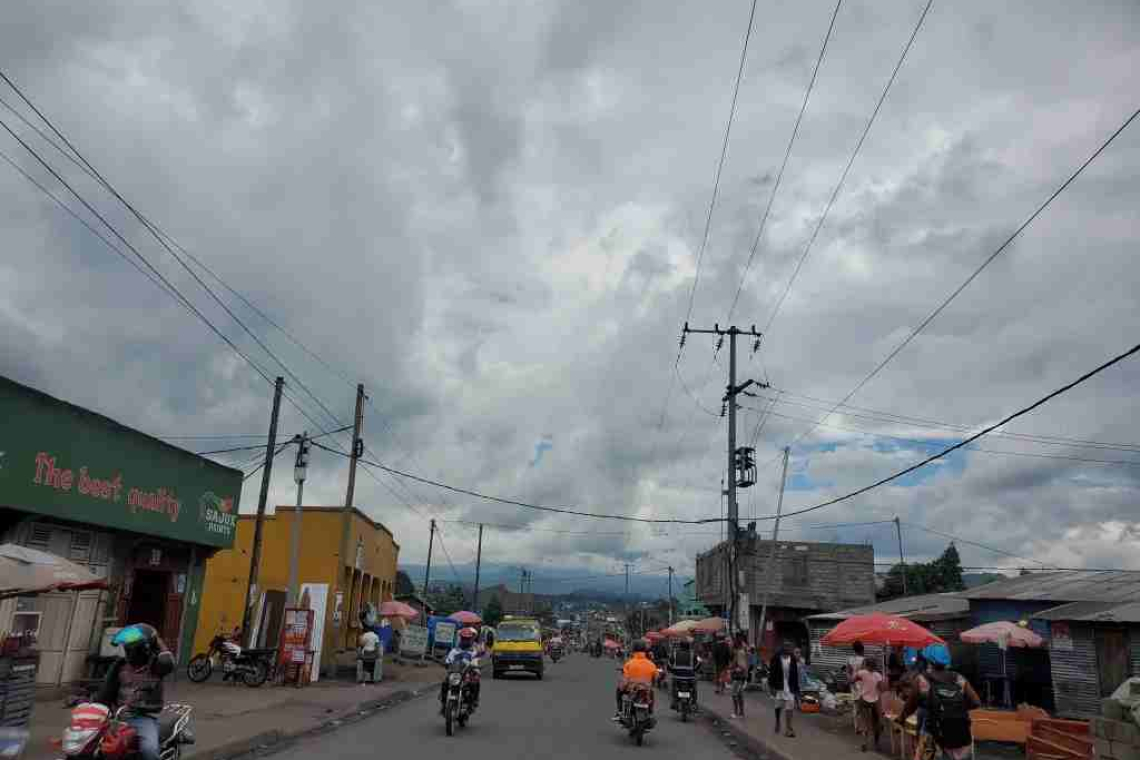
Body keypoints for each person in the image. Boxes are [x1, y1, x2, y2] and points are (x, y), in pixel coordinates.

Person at [97, 624, 175, 760]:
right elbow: (105, 691)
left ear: (145, 650)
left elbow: (168, 661)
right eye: (126, 649)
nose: (128, 653)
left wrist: (156, 640)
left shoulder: (156, 666)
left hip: (142, 718)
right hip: (115, 718)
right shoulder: (119, 665)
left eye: (132, 650)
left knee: (149, 750)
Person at [897, 645, 980, 760]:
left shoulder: (922, 680)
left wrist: (901, 719)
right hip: (961, 735)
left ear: (929, 661)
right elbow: (976, 702)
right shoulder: (959, 679)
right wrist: (956, 707)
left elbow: (910, 706)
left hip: (934, 737)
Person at [613, 640, 659, 722]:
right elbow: (656, 677)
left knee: (618, 691)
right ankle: (650, 711)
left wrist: (622, 687)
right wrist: (651, 685)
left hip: (632, 689)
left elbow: (625, 679)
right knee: (652, 694)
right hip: (646, 689)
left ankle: (619, 712)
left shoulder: (629, 663)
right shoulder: (651, 664)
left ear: (633, 649)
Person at [439, 627, 480, 714]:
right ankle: (443, 703)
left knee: (474, 683)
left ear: (471, 639)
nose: (465, 641)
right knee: (445, 683)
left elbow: (475, 662)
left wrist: (475, 667)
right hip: (455, 673)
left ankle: (473, 701)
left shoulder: (473, 651)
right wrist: (446, 663)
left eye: (467, 639)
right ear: (460, 639)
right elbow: (448, 660)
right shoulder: (454, 650)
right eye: (463, 638)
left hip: (467, 674)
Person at [767, 640, 800, 738]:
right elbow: (772, 673)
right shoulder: (776, 657)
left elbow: (795, 674)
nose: (788, 649)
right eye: (786, 647)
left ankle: (789, 728)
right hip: (779, 686)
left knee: (790, 707)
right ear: (782, 648)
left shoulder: (792, 658)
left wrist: (796, 689)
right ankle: (777, 721)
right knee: (778, 706)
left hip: (790, 686)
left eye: (789, 647)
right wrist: (771, 686)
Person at [854, 657, 884, 752]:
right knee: (877, 722)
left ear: (866, 665)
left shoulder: (862, 673)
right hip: (875, 701)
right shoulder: (878, 675)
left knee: (865, 722)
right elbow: (881, 688)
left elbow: (852, 680)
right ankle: (877, 743)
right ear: (875, 666)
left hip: (863, 700)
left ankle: (864, 743)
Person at [668, 637, 701, 710]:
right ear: (689, 646)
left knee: (673, 687)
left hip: (677, 677)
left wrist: (671, 670)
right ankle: (694, 702)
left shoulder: (674, 653)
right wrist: (695, 670)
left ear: (680, 645)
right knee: (694, 688)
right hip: (690, 677)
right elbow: (699, 663)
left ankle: (674, 701)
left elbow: (669, 664)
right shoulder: (693, 654)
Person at [848, 641, 867, 733]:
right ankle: (863, 727)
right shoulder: (863, 660)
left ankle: (856, 727)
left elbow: (848, 672)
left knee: (855, 706)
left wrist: (851, 681)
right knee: (862, 707)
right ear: (862, 649)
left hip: (853, 684)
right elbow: (864, 674)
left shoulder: (850, 659)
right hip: (861, 684)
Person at [730, 634, 750, 718]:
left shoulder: (742, 648)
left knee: (736, 694)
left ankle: (737, 712)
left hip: (740, 673)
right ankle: (740, 712)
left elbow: (744, 661)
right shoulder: (740, 648)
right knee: (738, 694)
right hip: (738, 673)